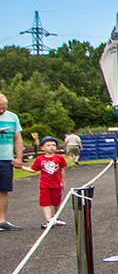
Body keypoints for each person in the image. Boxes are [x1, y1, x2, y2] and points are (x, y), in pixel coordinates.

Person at [21, 137, 67, 229]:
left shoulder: (59, 158)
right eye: (48, 145)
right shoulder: (39, 159)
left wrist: (62, 182)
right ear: (42, 148)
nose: (51, 147)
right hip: (45, 185)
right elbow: (33, 170)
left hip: (56, 184)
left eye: (53, 145)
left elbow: (62, 170)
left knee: (56, 202)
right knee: (45, 203)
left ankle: (55, 218)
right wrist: (21, 167)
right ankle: (49, 220)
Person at [0, 93, 24, 230]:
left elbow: (17, 138)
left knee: (3, 190)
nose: (2, 111)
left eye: (4, 108)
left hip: (5, 158)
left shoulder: (12, 117)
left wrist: (18, 157)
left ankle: (2, 221)